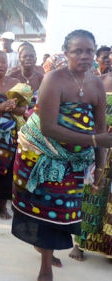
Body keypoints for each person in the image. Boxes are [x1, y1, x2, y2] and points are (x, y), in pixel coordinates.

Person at [11, 29, 112, 281]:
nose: (85, 56)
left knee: (63, 208)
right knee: (47, 208)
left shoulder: (96, 84)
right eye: (78, 51)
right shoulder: (54, 80)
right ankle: (45, 267)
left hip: (75, 160)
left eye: (89, 50)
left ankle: (45, 249)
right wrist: (92, 141)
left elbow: (101, 129)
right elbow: (49, 128)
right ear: (66, 53)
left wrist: (99, 168)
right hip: (42, 152)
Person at [68, 71, 112, 261]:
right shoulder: (100, 81)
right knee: (92, 194)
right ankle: (80, 243)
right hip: (101, 146)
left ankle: (108, 246)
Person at [0, 50, 23, 219]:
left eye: (3, 62)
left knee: (8, 168)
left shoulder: (15, 82)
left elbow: (23, 109)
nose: (0, 65)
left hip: (9, 134)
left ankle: (2, 206)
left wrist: (12, 107)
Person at [8, 42, 44, 113]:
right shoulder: (12, 76)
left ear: (36, 59)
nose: (28, 58)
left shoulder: (40, 77)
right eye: (25, 56)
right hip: (16, 113)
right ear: (19, 59)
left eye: (31, 56)